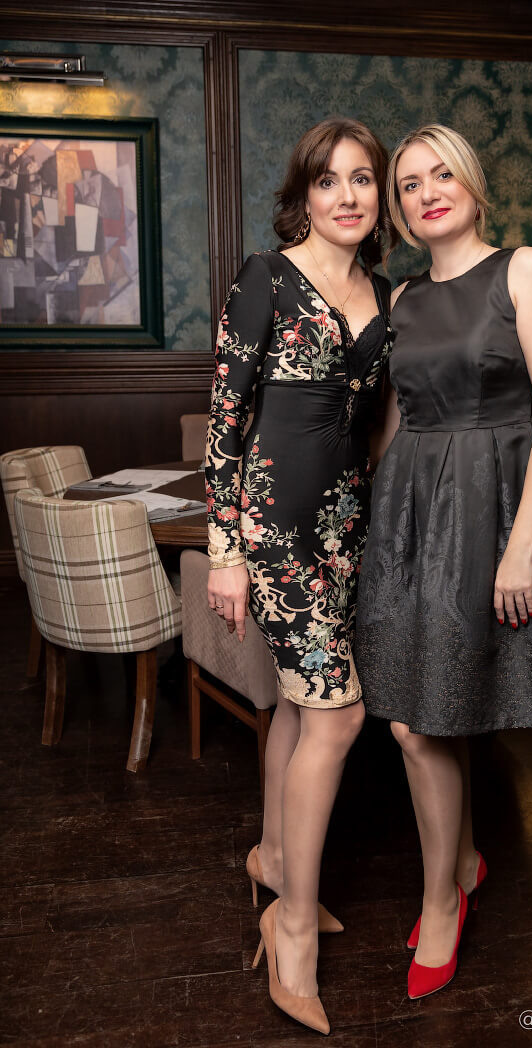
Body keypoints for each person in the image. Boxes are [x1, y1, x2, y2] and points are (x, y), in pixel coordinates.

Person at [355, 124, 532, 1000]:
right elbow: (396, 421)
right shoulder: (403, 298)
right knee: (416, 715)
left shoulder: (522, 269)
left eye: (440, 174)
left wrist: (520, 545)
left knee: (427, 722)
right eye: (408, 184)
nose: (426, 193)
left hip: (490, 513)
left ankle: (443, 901)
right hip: (410, 516)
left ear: (473, 183)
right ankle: (463, 863)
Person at [205, 117, 394, 1035]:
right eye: (329, 180)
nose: (347, 196)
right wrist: (227, 551)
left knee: (296, 703)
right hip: (276, 531)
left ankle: (276, 860)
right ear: (304, 195)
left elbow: (377, 419)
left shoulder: (384, 291)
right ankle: (291, 931)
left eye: (363, 178)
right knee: (340, 715)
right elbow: (225, 422)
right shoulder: (266, 277)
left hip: (347, 529)